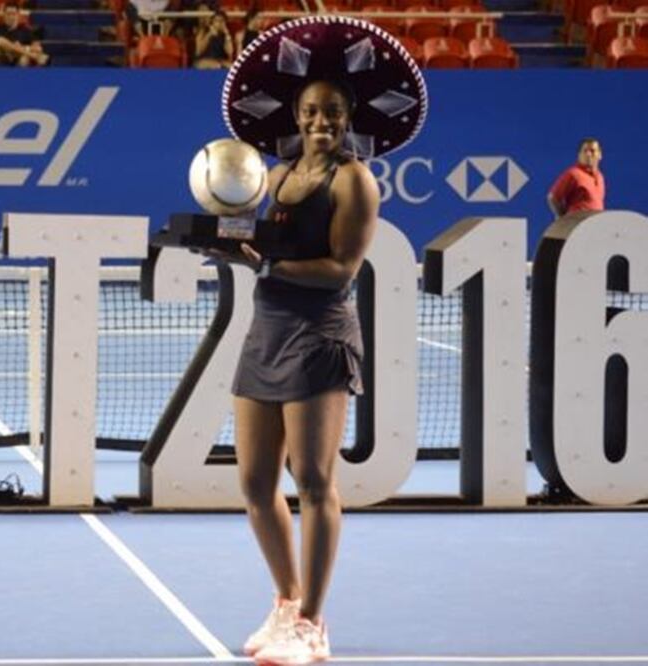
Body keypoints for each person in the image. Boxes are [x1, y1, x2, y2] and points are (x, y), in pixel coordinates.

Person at [217, 15, 427, 665]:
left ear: (347, 117)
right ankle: (284, 602)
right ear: (296, 113)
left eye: (332, 112)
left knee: (311, 478)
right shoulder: (276, 176)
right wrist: (224, 236)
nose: (320, 122)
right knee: (254, 482)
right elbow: (261, 241)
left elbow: (341, 268)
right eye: (311, 111)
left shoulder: (354, 180)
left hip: (319, 333)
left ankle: (312, 622)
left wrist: (267, 264)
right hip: (267, 330)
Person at [547, 138, 605, 218]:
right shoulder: (573, 173)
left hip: (596, 224)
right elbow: (553, 197)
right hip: (578, 225)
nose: (588, 154)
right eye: (585, 151)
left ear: (600, 155)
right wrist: (564, 219)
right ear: (579, 155)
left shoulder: (600, 177)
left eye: (592, 150)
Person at [0, 2, 48, 66]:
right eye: (8, 14)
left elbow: (38, 48)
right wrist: (0, 50)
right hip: (2, 59)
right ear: (4, 15)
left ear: (18, 15)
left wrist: (20, 48)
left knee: (24, 58)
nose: (11, 17)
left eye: (13, 14)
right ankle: (33, 56)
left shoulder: (25, 30)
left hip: (18, 62)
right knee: (0, 40)